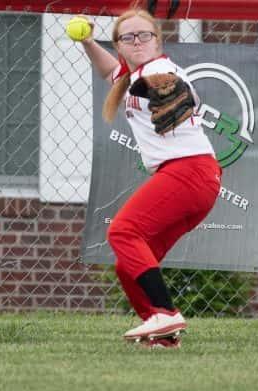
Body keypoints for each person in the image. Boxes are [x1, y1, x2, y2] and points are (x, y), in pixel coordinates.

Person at [74, 9, 221, 347]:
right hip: (197, 179)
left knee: (124, 231)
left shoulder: (159, 69)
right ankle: (164, 337)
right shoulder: (130, 75)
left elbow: (184, 91)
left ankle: (166, 314)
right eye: (128, 37)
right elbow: (110, 70)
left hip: (189, 171)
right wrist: (86, 41)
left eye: (145, 35)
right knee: (130, 266)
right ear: (119, 46)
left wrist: (172, 91)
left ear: (158, 40)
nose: (137, 41)